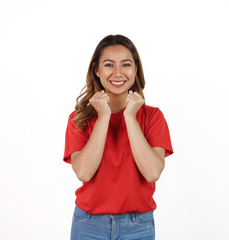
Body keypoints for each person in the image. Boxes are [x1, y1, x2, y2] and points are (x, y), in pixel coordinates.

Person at [63, 34, 173, 240]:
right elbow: (84, 173)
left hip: (138, 225)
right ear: (96, 70)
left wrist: (130, 118)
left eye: (126, 64)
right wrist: (103, 115)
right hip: (88, 225)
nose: (118, 73)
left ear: (135, 69)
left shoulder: (152, 117)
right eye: (109, 65)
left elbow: (152, 173)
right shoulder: (78, 119)